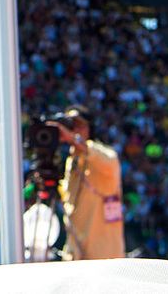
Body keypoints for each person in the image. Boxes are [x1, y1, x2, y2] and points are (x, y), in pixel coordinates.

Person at [47, 105, 124, 260]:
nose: (74, 130)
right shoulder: (72, 160)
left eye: (79, 125)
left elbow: (109, 161)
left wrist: (74, 139)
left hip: (104, 257)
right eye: (71, 125)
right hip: (75, 253)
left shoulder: (103, 156)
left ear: (90, 128)